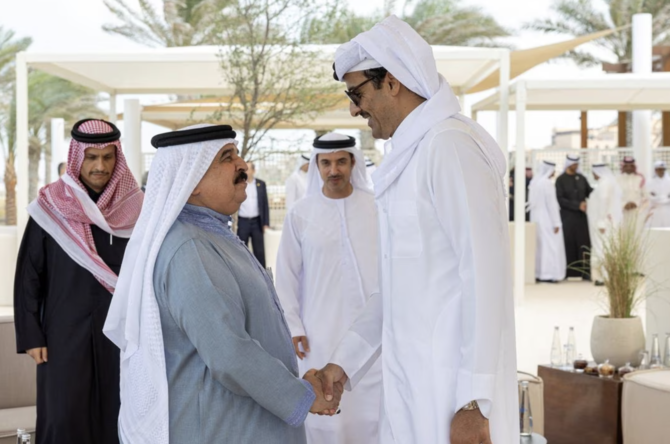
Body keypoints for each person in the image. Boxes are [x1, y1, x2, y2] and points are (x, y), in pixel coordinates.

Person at [314, 16, 518, 444]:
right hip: (411, 388)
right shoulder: (410, 157)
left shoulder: (449, 146)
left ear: (392, 81)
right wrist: (343, 362)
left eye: (356, 93)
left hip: (452, 396)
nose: (353, 108)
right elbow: (396, 289)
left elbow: (485, 275)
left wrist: (475, 402)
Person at [103, 124, 342, 444]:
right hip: (221, 428)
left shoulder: (211, 234)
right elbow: (229, 352)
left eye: (238, 154)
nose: (242, 165)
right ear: (192, 182)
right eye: (227, 157)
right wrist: (301, 396)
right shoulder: (190, 248)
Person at [14, 119, 143, 444]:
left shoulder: (137, 209)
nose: (99, 166)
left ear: (118, 157)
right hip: (62, 335)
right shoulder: (51, 207)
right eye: (91, 157)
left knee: (118, 415)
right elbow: (30, 273)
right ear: (77, 156)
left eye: (107, 157)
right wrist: (31, 334)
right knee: (63, 416)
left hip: (122, 334)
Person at [276, 133, 381, 444]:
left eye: (340, 162)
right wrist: (293, 325)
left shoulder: (377, 207)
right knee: (328, 412)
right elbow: (286, 276)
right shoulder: (300, 213)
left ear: (353, 163)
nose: (333, 170)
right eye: (326, 163)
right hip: (319, 330)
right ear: (316, 166)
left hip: (373, 332)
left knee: (372, 408)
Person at [527, 161, 566, 283]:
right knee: (550, 246)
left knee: (540, 246)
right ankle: (549, 274)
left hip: (536, 218)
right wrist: (556, 223)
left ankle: (540, 273)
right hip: (547, 219)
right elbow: (552, 205)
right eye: (553, 170)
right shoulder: (547, 183)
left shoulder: (535, 182)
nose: (554, 172)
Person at [555, 154, 593, 280]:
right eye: (573, 164)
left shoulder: (582, 178)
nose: (575, 166)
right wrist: (577, 205)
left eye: (577, 164)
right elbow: (560, 199)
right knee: (568, 243)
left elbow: (590, 193)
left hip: (581, 218)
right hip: (567, 217)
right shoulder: (560, 180)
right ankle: (569, 272)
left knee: (584, 243)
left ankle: (585, 272)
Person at [587, 164, 623, 285]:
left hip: (603, 224)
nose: (593, 175)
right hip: (604, 222)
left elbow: (604, 202)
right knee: (604, 248)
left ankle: (605, 277)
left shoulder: (605, 184)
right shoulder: (606, 183)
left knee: (603, 248)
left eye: (594, 172)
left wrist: (601, 222)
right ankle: (604, 276)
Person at [237, 160, 270, 267]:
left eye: (248, 169)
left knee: (259, 251)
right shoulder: (239, 184)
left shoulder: (261, 184)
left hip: (257, 222)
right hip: (243, 222)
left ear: (254, 171)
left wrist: (266, 223)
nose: (246, 171)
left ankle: (263, 276)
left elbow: (265, 204)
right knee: (241, 250)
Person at [618, 156, 646, 222]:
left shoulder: (640, 179)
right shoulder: (617, 179)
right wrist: (623, 205)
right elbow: (614, 197)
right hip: (622, 213)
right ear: (623, 167)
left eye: (631, 166)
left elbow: (646, 197)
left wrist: (636, 204)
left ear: (634, 167)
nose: (629, 168)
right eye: (626, 166)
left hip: (637, 212)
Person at [647, 160, 670, 228]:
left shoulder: (669, 181)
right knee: (655, 227)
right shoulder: (650, 181)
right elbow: (649, 194)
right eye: (658, 169)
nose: (660, 171)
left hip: (667, 208)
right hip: (655, 208)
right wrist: (662, 198)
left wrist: (662, 198)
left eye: (662, 169)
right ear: (655, 170)